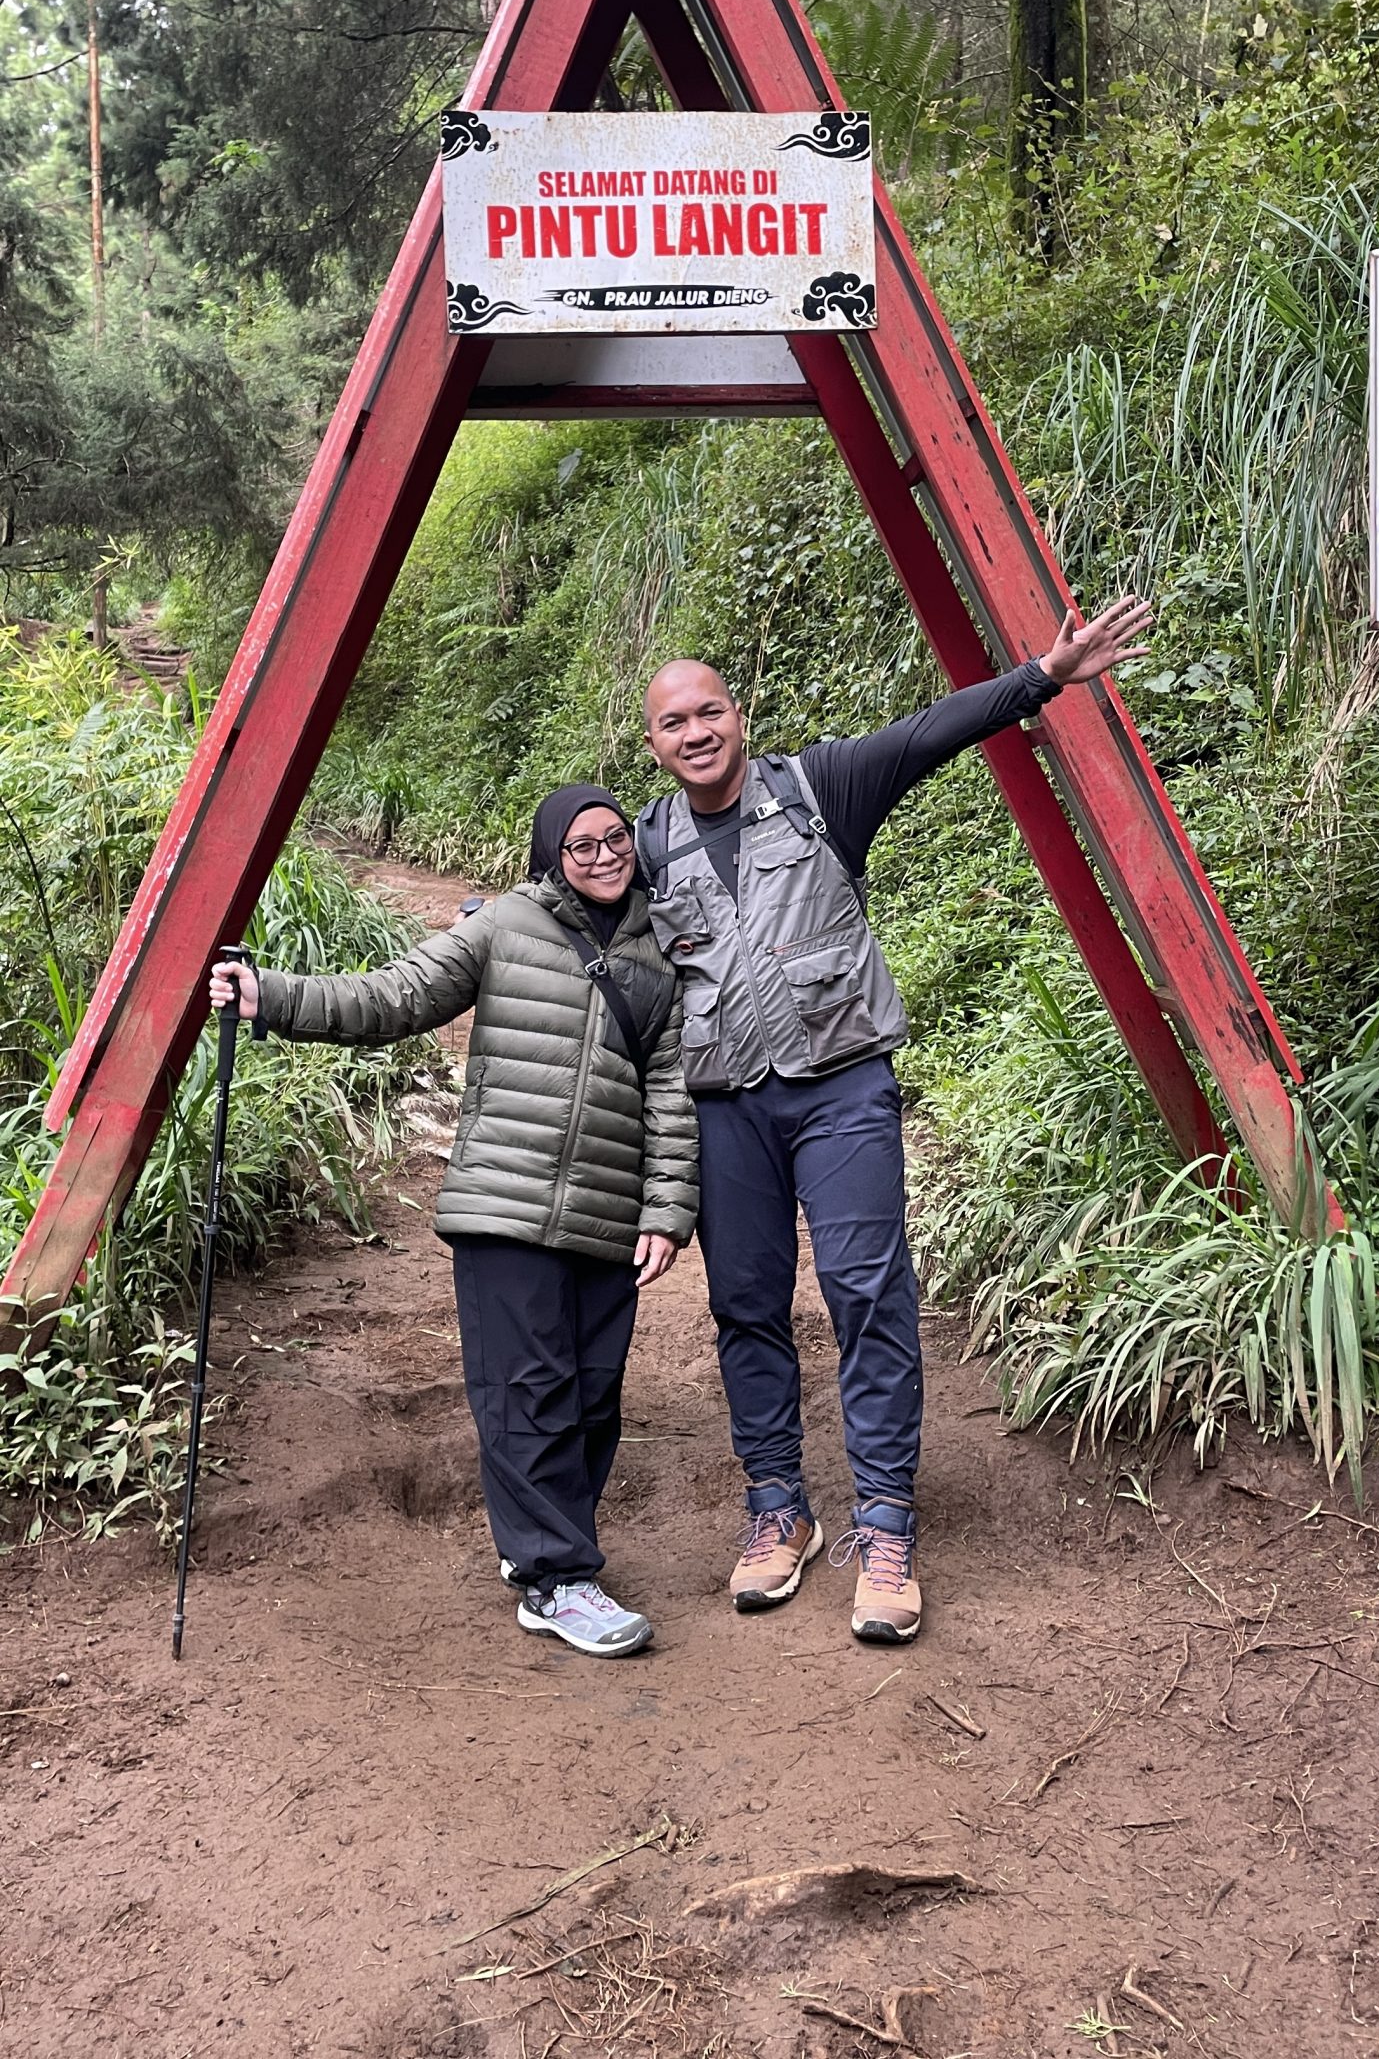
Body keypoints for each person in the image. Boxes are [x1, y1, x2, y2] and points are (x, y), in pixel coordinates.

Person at [634, 598, 1152, 1647]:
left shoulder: (819, 788)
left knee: (868, 1291)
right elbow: (567, 913)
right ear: (653, 742)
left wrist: (1043, 674)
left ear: (740, 715)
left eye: (710, 712)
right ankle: (779, 1508)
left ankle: (883, 1523)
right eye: (674, 722)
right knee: (744, 1304)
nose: (696, 732)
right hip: (727, 1108)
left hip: (839, 1089)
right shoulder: (648, 846)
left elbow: (932, 731)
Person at [209, 785, 697, 1659]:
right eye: (579, 846)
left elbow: (668, 1093)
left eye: (613, 839)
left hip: (606, 1211)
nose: (601, 857)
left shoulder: (656, 950)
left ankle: (547, 1560)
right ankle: (556, 1576)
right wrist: (268, 997)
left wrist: (666, 1208)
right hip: (503, 1206)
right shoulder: (505, 926)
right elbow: (394, 998)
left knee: (592, 1396)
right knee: (526, 1392)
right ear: (552, 856)